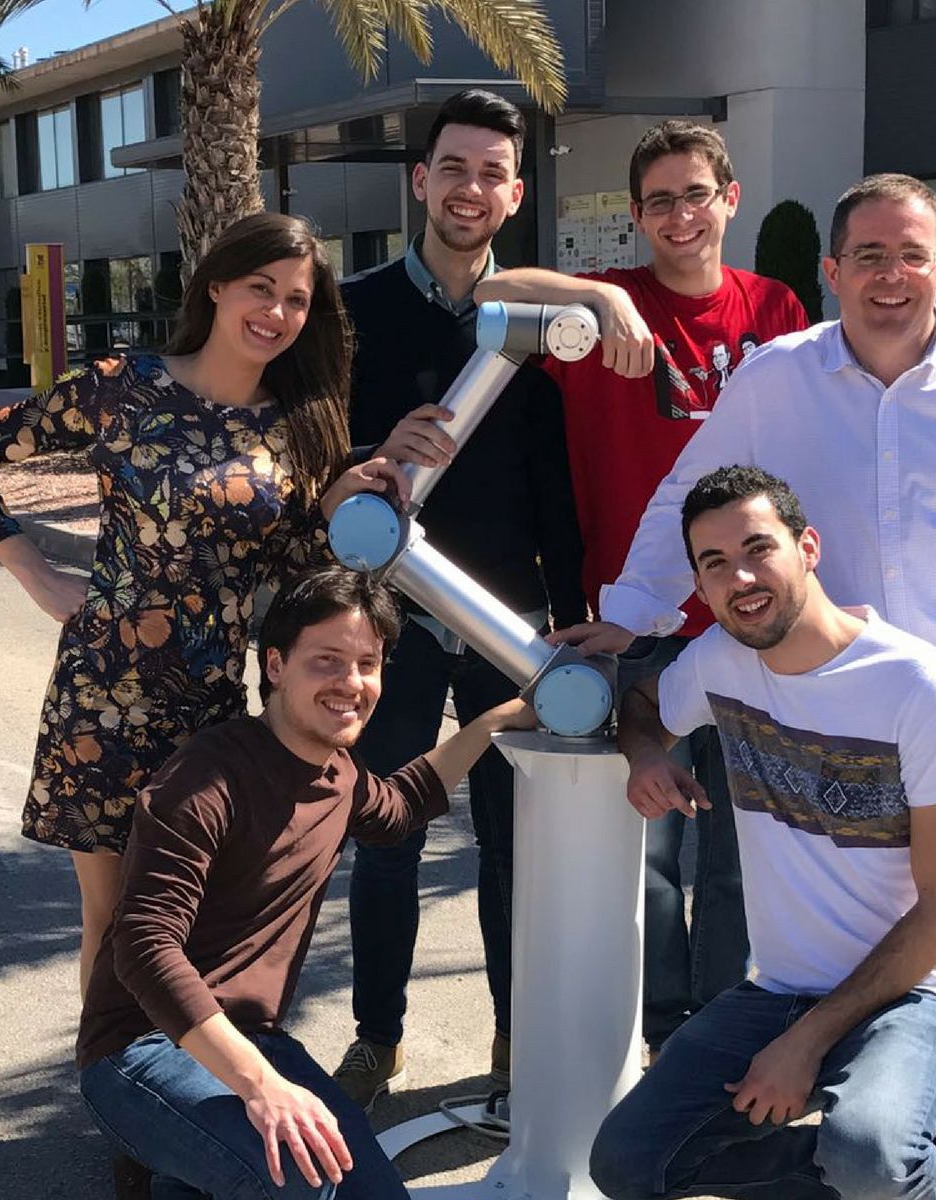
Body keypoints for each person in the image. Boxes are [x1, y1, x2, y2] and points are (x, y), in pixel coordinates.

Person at [564, 173, 936, 1188]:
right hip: (823, 690)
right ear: (832, 270)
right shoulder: (775, 379)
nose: (890, 276)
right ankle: (867, 1163)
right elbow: (685, 497)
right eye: (868, 257)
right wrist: (631, 615)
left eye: (910, 256)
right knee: (823, 935)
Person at [0, 212, 395, 1001]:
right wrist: (32, 570)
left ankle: (178, 1069)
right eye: (260, 288)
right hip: (103, 700)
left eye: (295, 300)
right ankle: (110, 1070)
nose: (276, 313)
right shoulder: (125, 387)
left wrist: (331, 510)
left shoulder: (297, 428)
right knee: (115, 921)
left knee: (196, 925)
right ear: (216, 287)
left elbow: (290, 580)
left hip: (212, 710)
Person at [476, 119, 810, 1060]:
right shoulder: (602, 314)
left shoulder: (776, 308)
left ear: (729, 199)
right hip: (636, 630)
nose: (679, 215)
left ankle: (726, 1032)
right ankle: (666, 1037)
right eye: (659, 201)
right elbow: (491, 290)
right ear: (635, 214)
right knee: (651, 854)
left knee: (745, 851)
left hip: (754, 627)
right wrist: (598, 295)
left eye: (696, 194)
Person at [589, 466, 936, 1200]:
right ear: (699, 586)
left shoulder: (921, 689)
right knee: (627, 1163)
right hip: (782, 988)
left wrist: (803, 1045)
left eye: (758, 549)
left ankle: (880, 1175)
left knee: (870, 1152)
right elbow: (643, 705)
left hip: (921, 993)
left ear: (807, 547)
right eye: (715, 563)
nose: (741, 578)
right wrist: (647, 755)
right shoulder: (719, 662)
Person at [77, 567, 538, 1199]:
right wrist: (263, 1087)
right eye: (327, 660)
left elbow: (402, 805)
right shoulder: (205, 778)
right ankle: (171, 1156)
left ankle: (181, 1177)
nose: (351, 682)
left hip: (258, 1043)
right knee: (302, 1184)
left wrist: (490, 723)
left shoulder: (341, 775)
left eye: (367, 664)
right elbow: (143, 945)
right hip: (142, 1049)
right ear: (275, 665)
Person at [331, 88, 587, 1108]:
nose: (470, 189)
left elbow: (558, 487)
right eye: (453, 168)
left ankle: (515, 1039)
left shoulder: (538, 327)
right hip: (384, 619)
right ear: (419, 181)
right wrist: (370, 451)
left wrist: (573, 614)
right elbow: (305, 455)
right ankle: (377, 1038)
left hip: (510, 624)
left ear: (515, 194)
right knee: (385, 832)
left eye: (492, 173)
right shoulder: (349, 312)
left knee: (514, 844)